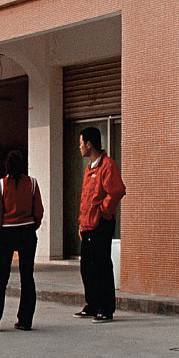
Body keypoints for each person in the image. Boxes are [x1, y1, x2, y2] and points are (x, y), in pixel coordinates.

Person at [0, 150, 44, 332]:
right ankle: (25, 321)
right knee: (27, 277)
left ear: (7, 166)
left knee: (1, 279)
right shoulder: (32, 183)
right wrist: (33, 226)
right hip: (27, 232)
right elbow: (39, 211)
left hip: (6, 234)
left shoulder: (0, 186)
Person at [76, 126, 126, 323]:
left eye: (81, 143)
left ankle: (106, 308)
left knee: (102, 266)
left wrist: (103, 212)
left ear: (89, 144)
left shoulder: (107, 166)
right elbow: (86, 200)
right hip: (87, 225)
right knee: (86, 267)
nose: (79, 147)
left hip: (101, 224)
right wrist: (81, 223)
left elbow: (117, 191)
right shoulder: (89, 169)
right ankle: (92, 304)